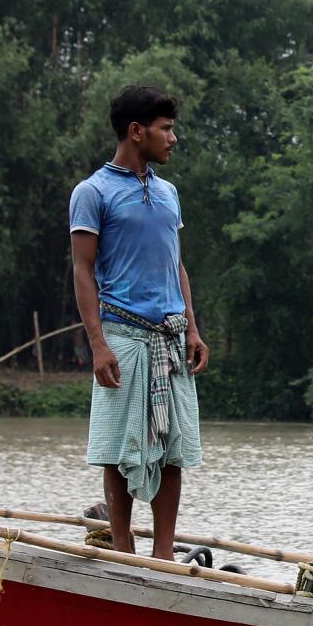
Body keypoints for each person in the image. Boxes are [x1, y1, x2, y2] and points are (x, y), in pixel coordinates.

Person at [71, 83, 209, 559]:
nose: (173, 138)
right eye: (165, 129)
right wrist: (97, 343)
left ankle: (164, 552)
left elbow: (177, 265)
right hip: (123, 335)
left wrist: (192, 328)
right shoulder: (93, 193)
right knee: (118, 446)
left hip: (170, 335)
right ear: (136, 131)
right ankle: (124, 545)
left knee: (172, 446)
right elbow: (83, 270)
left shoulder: (168, 193)